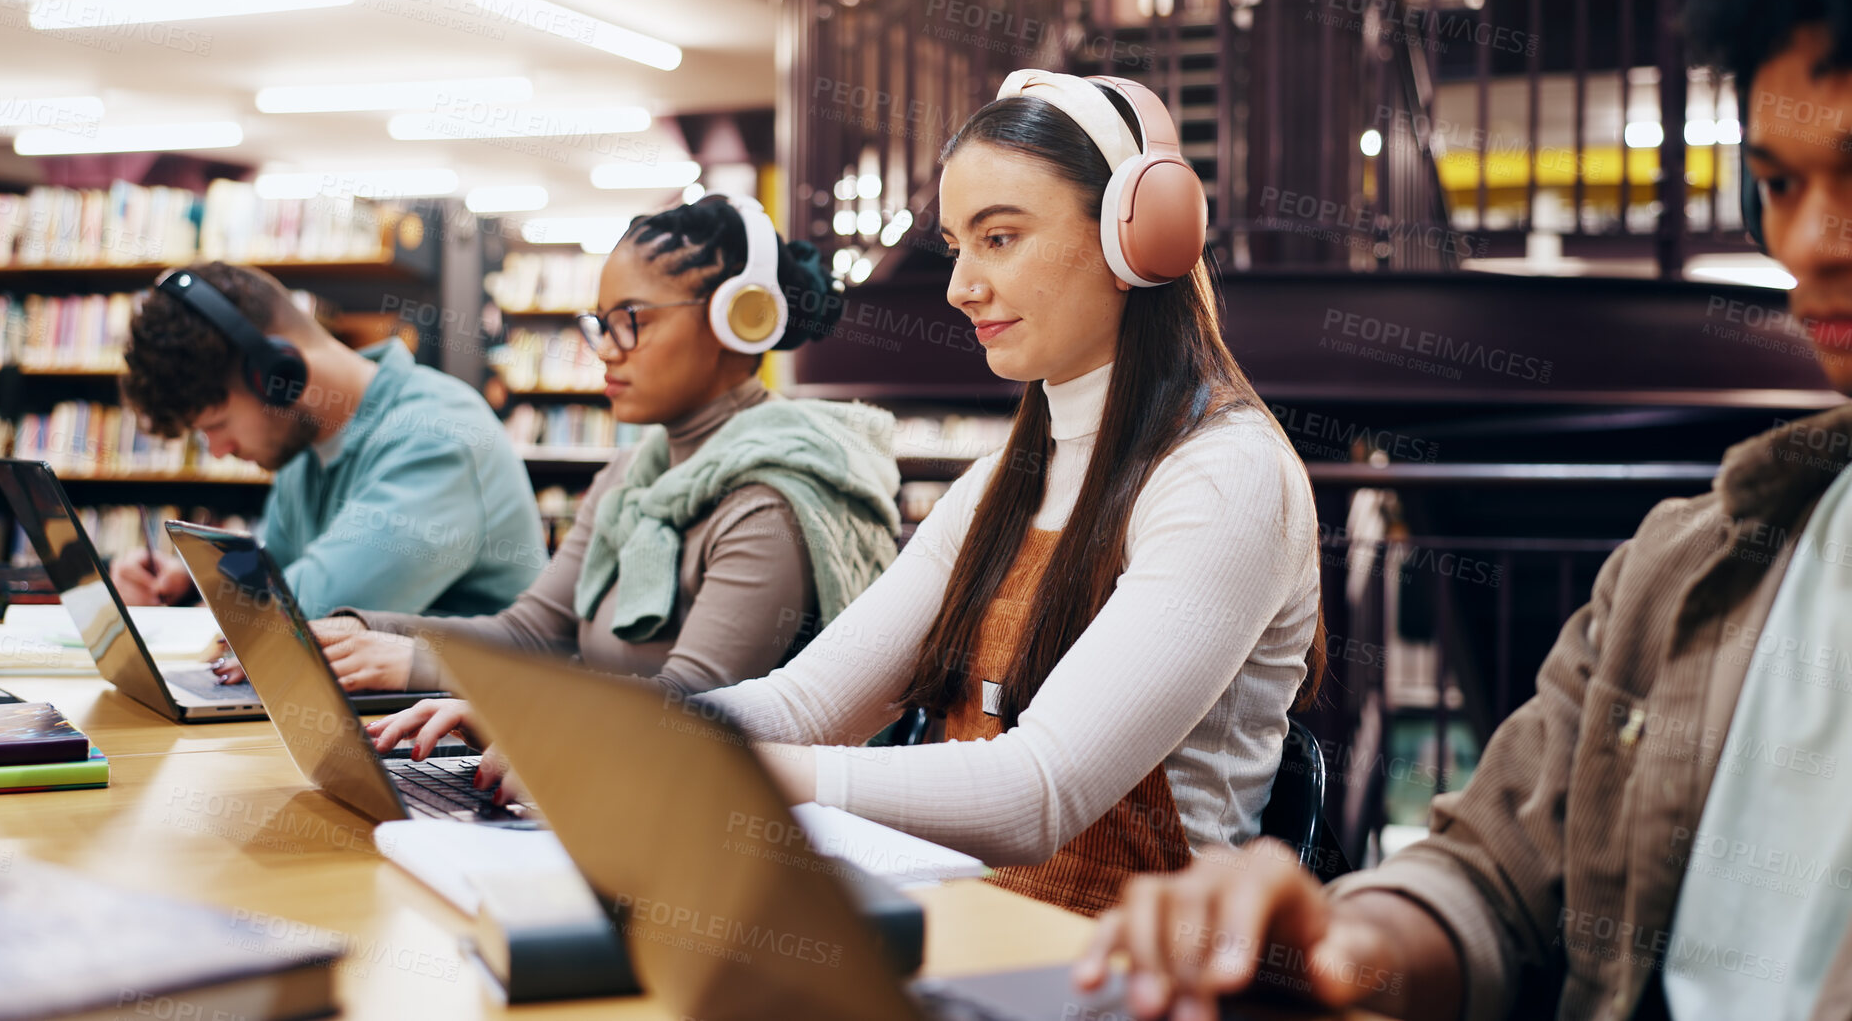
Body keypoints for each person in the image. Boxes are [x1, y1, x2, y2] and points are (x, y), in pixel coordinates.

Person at [1073, 0, 1852, 1018]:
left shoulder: (1225, 467)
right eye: (1780, 183)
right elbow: (1490, 878)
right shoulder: (1685, 568)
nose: (1807, 243)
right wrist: (1337, 940)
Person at [374, 76, 1326, 917]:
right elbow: (807, 702)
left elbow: (1038, 794)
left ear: (1138, 239)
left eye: (1001, 236)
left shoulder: (1227, 474)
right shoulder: (1012, 476)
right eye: (957, 243)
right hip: (975, 929)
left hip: (1125, 975)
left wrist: (698, 764)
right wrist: (586, 728)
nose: (960, 285)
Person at [311, 193, 901, 698]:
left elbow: (687, 709)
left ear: (737, 320)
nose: (606, 349)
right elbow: (531, 632)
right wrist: (363, 631)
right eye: (600, 323)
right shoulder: (632, 475)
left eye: (631, 319)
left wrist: (432, 668)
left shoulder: (769, 504)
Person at [111, 262, 545, 620]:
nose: (219, 450)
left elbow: (299, 619)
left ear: (277, 376)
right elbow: (273, 576)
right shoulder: (303, 448)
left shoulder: (436, 436)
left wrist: (211, 599)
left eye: (218, 424)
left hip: (473, 719)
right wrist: (185, 585)